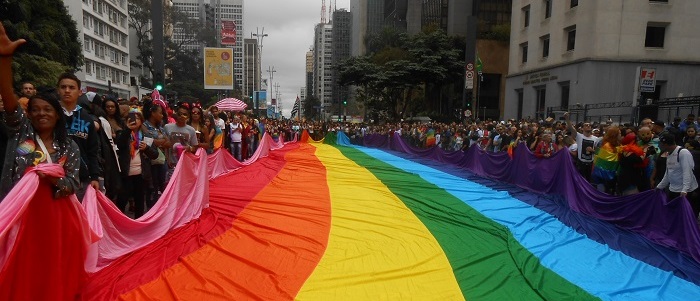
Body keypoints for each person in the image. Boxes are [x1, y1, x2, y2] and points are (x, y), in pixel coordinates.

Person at [0, 31, 80, 199]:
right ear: (29, 113)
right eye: (35, 109)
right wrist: (5, 59)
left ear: (58, 115)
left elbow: (73, 184)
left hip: (54, 213)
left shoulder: (68, 146)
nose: (41, 113)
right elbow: (9, 100)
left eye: (48, 109)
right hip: (19, 210)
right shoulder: (21, 134)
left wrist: (54, 180)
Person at [115, 109, 159, 218]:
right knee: (121, 201)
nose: (135, 121)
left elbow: (155, 155)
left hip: (141, 174)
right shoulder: (122, 133)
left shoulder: (146, 136)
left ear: (142, 121)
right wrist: (127, 129)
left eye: (138, 118)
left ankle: (138, 223)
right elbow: (120, 145)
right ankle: (119, 224)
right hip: (125, 174)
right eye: (132, 118)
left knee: (139, 201)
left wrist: (147, 148)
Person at [656, 132, 700, 218]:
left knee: (685, 217)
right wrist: (659, 187)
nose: (659, 146)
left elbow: (687, 172)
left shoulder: (683, 153)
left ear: (665, 144)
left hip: (685, 192)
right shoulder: (669, 154)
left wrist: (684, 190)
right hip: (673, 190)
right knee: (673, 215)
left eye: (661, 144)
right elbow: (668, 173)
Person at [163, 102, 198, 180]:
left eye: (184, 114)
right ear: (176, 115)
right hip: (171, 165)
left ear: (188, 116)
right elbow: (164, 145)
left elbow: (195, 147)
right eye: (179, 114)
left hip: (185, 164)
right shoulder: (167, 127)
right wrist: (167, 160)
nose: (181, 116)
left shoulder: (191, 130)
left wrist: (189, 148)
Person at [565, 112, 601, 182]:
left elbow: (599, 152)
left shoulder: (596, 139)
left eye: (589, 125)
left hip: (590, 164)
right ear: (582, 128)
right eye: (586, 125)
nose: (588, 126)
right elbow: (571, 128)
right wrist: (567, 118)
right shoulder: (579, 136)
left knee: (589, 181)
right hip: (581, 164)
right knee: (579, 181)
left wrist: (592, 150)